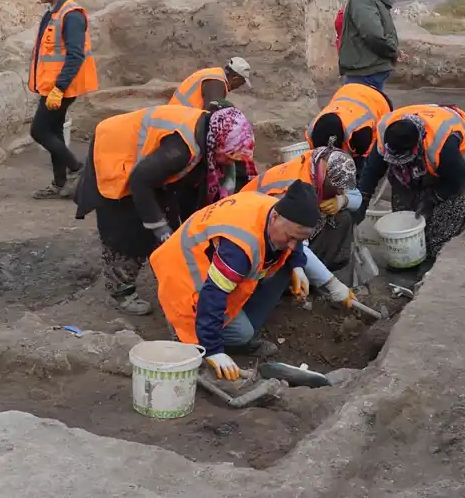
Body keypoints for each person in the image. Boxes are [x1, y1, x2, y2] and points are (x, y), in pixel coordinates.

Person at [152, 183, 356, 378]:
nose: (293, 245)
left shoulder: (274, 209)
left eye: (300, 240)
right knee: (242, 334)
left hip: (207, 261)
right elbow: (213, 294)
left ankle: (231, 321)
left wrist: (297, 264)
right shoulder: (240, 248)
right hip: (184, 278)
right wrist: (213, 350)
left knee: (283, 265)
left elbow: (296, 240)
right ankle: (183, 331)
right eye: (290, 238)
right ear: (275, 217)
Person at [74, 104, 257, 315]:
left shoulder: (210, 133)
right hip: (116, 154)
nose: (229, 163)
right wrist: (159, 227)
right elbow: (140, 180)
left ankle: (165, 272)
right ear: (219, 144)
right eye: (229, 157)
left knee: (168, 219)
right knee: (128, 230)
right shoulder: (180, 150)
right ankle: (120, 291)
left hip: (147, 164)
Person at [356, 104, 465, 263]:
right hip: (426, 156)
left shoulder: (443, 146)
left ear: (417, 146)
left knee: (439, 235)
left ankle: (436, 256)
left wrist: (433, 198)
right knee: (405, 218)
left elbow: (456, 181)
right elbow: (371, 172)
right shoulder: (386, 135)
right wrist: (361, 203)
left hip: (457, 170)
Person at [27, 0, 99, 200]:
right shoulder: (53, 12)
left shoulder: (71, 15)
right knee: (54, 133)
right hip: (51, 85)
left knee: (39, 130)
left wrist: (59, 88)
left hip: (61, 87)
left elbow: (75, 55)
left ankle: (78, 169)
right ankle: (59, 184)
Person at [241, 145, 361, 272]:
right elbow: (297, 243)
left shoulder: (322, 165)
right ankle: (293, 275)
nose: (340, 191)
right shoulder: (295, 190)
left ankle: (312, 272)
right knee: (293, 248)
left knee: (343, 217)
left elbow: (356, 196)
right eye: (336, 189)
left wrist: (342, 200)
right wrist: (330, 283)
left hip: (279, 228)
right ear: (326, 178)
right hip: (252, 233)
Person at [333, 0, 398, 92]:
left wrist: (391, 52)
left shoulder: (360, 2)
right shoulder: (366, 0)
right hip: (366, 68)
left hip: (365, 71)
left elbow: (372, 34)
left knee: (357, 110)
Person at [306, 83, 393, 171]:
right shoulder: (311, 133)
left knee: (368, 165)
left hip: (377, 100)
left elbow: (366, 157)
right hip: (347, 90)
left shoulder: (360, 134)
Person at [169, 57, 252, 110]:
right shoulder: (217, 83)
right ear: (235, 79)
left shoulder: (214, 75)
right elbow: (210, 114)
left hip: (176, 117)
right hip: (178, 123)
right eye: (241, 83)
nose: (239, 86)